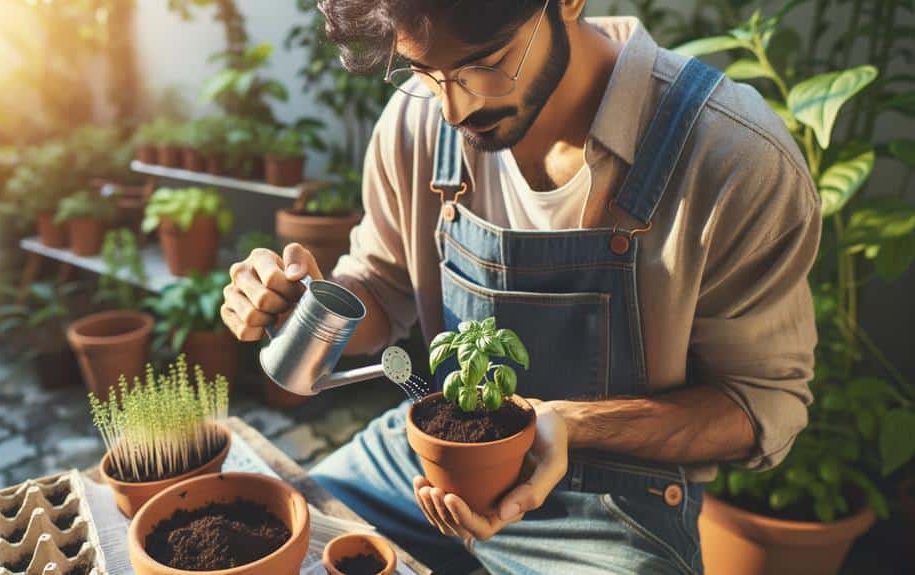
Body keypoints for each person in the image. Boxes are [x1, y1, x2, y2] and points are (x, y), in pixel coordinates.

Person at [221, 1, 821, 573]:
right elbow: (382, 286)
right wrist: (312, 303)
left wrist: (567, 424)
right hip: (424, 460)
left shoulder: (729, 157)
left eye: (484, 64)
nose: (453, 109)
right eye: (425, 71)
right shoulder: (417, 120)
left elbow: (758, 405)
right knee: (272, 539)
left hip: (607, 507)